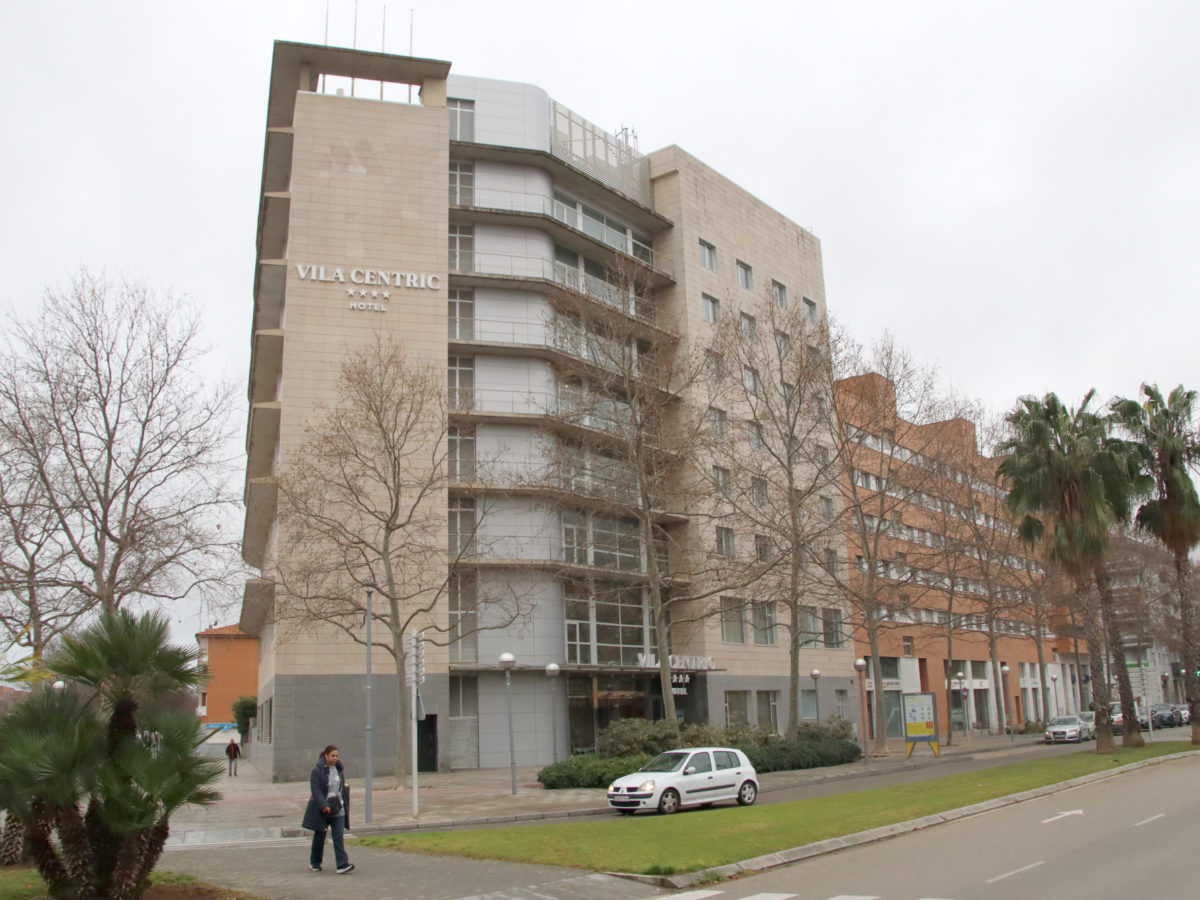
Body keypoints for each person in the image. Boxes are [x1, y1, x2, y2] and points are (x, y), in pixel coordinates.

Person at [301, 745, 354, 874]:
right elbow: (316, 790)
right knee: (319, 836)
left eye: (337, 756)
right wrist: (323, 805)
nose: (335, 758)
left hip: (338, 809)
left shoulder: (339, 769)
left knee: (338, 837)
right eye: (332, 756)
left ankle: (342, 864)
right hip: (323, 810)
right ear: (326, 755)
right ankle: (315, 862)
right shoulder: (317, 771)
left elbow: (340, 787)